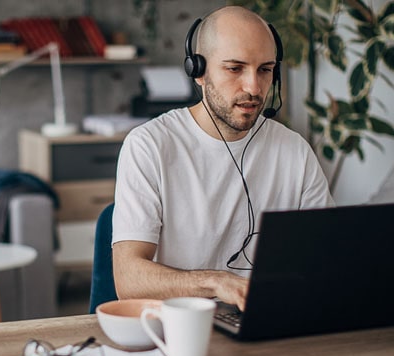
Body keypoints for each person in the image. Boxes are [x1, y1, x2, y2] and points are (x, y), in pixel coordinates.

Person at [112, 6, 334, 311]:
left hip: (268, 320)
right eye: (235, 68)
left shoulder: (294, 150)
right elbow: (129, 282)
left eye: (265, 70)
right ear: (198, 71)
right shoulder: (149, 145)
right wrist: (217, 282)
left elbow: (328, 256)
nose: (254, 88)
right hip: (180, 330)